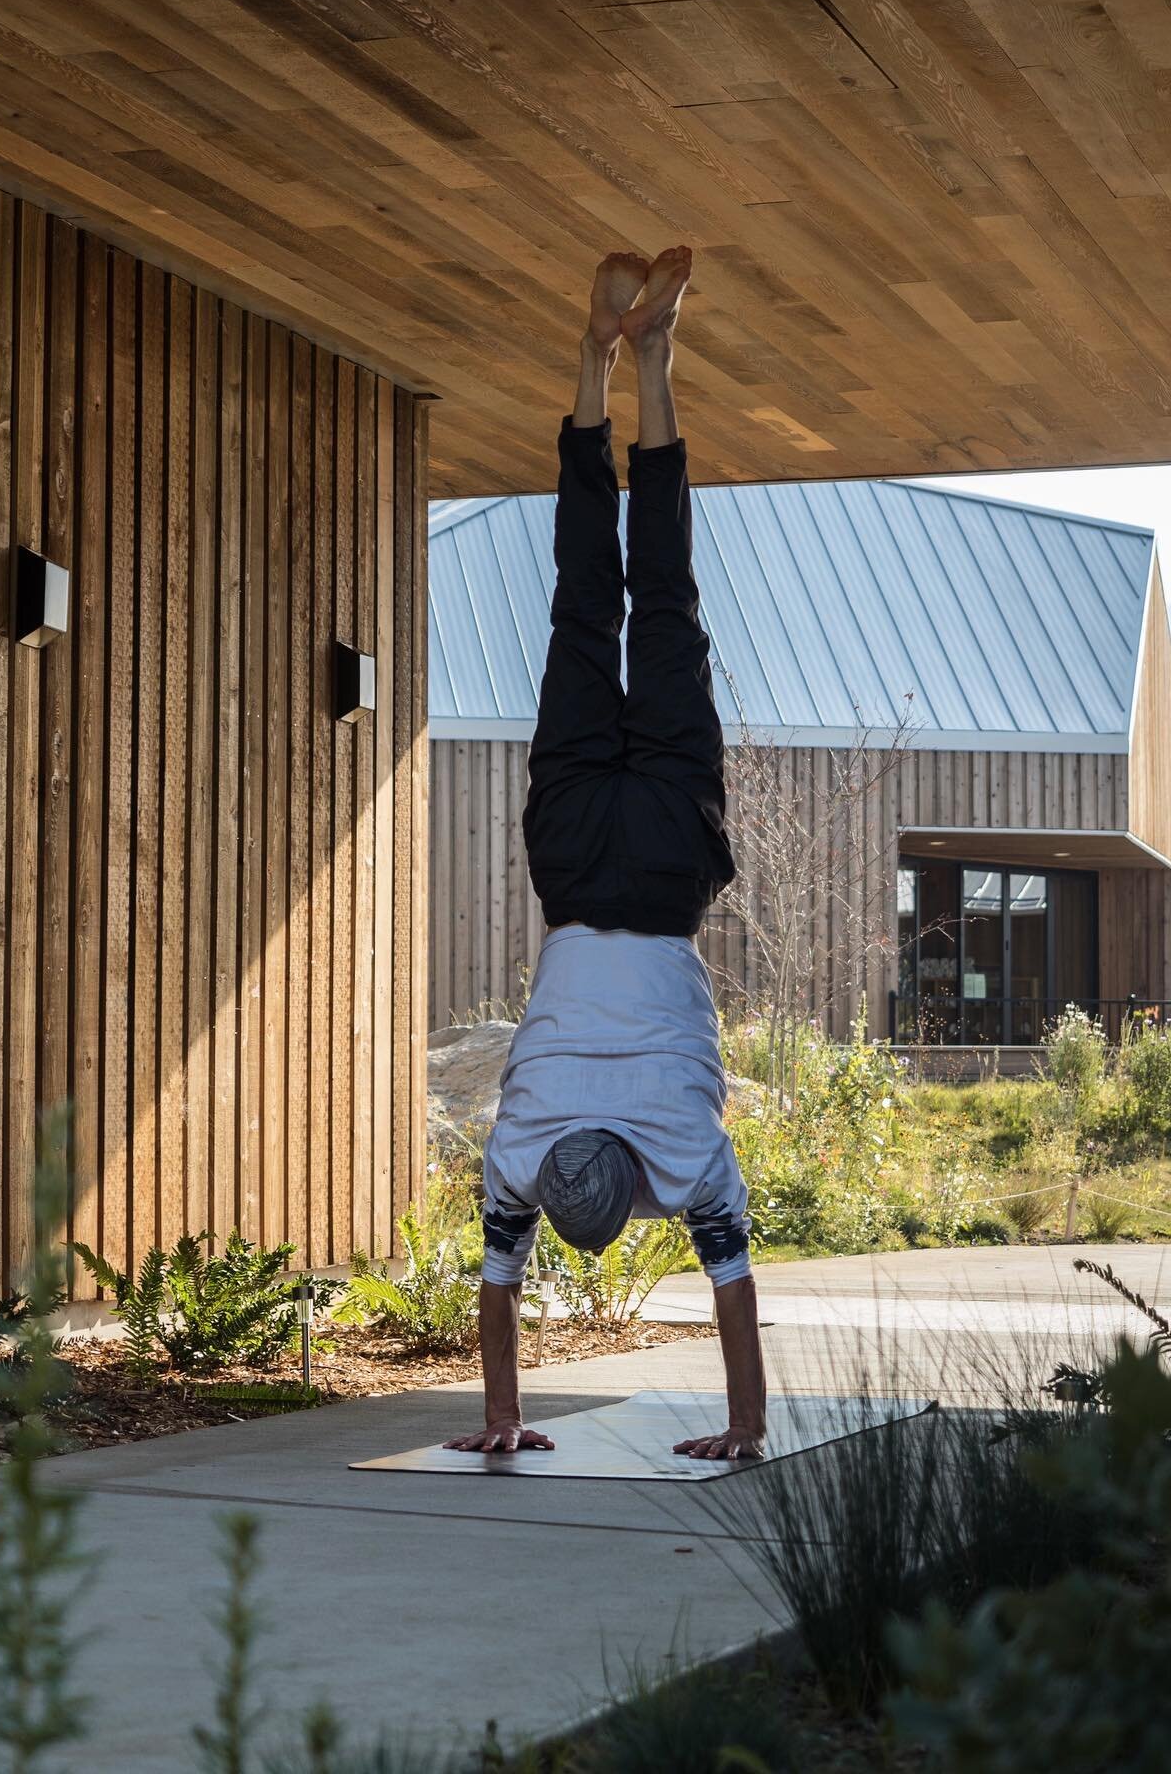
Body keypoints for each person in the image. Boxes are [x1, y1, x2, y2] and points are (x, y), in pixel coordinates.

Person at [444, 248, 767, 1462]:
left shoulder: (683, 1149)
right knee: (586, 606)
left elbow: (736, 1297)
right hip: (576, 864)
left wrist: (746, 1429)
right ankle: (596, 360)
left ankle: (660, 363)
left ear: (627, 1182)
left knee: (667, 600)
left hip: (667, 865)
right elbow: (495, 1288)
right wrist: (500, 1416)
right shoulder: (520, 1144)